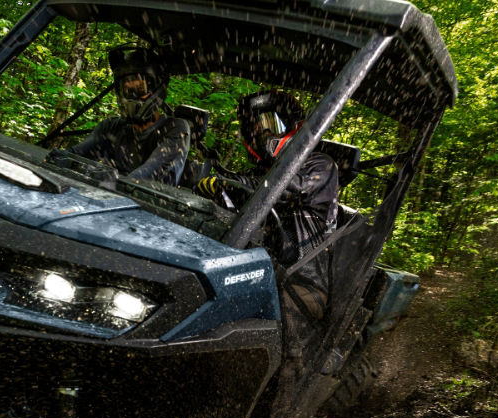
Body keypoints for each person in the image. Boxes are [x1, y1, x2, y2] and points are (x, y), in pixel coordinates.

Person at [194, 90, 339, 267]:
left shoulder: (321, 165)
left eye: (268, 127)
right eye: (253, 129)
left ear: (293, 127)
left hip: (298, 271)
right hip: (256, 257)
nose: (262, 134)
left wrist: (230, 184)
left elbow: (281, 189)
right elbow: (242, 185)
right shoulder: (262, 171)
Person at [67, 46, 191, 185]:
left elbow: (148, 175)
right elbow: (74, 154)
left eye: (139, 89)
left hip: (143, 198)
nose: (132, 96)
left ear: (157, 89)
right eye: (127, 90)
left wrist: (112, 182)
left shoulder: (174, 128)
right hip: (103, 195)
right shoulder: (111, 127)